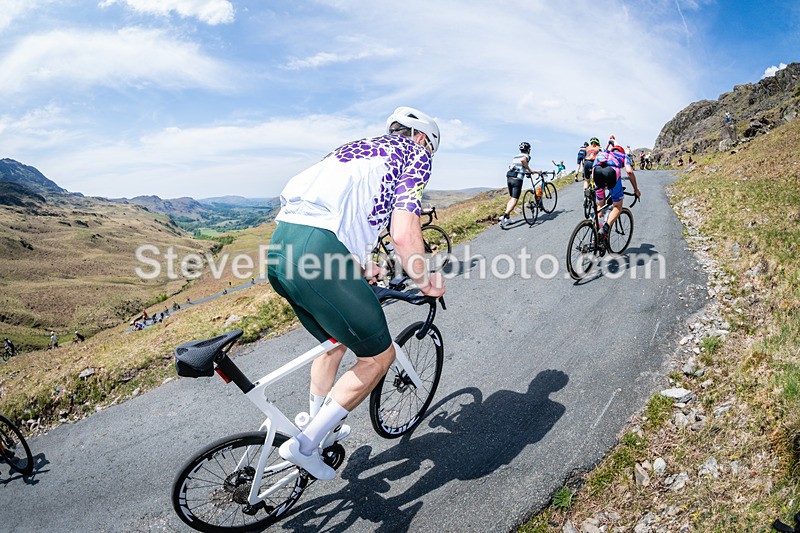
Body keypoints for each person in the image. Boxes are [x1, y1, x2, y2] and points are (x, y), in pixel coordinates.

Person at [267, 106, 445, 480]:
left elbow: (339, 212)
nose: (428, 156)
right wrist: (427, 279)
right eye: (430, 149)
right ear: (422, 138)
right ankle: (306, 444)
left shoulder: (356, 148)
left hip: (281, 248)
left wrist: (363, 267)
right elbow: (403, 231)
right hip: (320, 252)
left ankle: (321, 422)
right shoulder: (414, 154)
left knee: (335, 341)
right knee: (379, 358)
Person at [592, 145, 642, 241]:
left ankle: (596, 235)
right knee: (617, 206)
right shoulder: (623, 155)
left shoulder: (606, 154)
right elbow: (629, 171)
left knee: (600, 206)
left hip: (596, 173)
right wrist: (636, 189)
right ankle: (605, 229)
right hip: (611, 173)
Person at [501, 142, 538, 227]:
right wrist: (529, 169)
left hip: (510, 177)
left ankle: (508, 218)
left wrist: (534, 171)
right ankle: (505, 216)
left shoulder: (515, 156)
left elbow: (521, 167)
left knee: (512, 198)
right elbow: (523, 161)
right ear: (528, 150)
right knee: (515, 200)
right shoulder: (527, 156)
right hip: (517, 179)